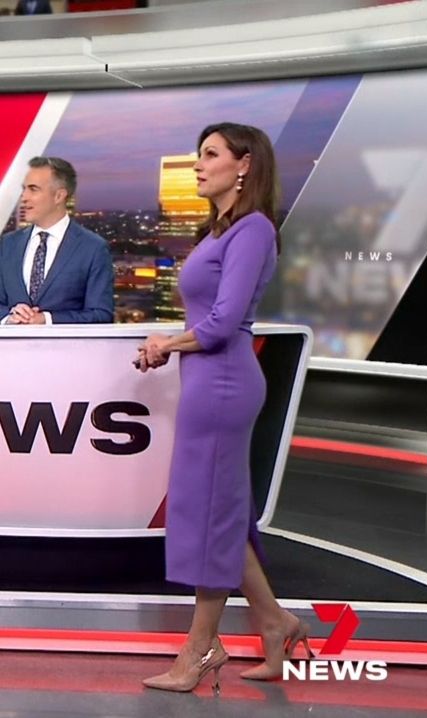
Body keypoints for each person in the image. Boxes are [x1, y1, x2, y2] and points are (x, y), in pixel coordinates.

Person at [135, 122, 312, 693]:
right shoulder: (220, 231)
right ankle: (274, 622)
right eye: (199, 154)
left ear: (244, 165)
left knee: (210, 513)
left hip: (226, 384)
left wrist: (167, 344)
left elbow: (222, 323)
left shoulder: (253, 229)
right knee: (219, 510)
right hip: (207, 382)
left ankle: (200, 651)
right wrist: (169, 346)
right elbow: (205, 321)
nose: (198, 164)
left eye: (210, 154)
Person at [0, 156, 114, 324]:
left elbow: (101, 314)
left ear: (59, 196)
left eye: (33, 189)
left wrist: (47, 319)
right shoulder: (7, 244)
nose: (23, 197)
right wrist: (9, 318)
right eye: (24, 189)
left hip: (63, 342)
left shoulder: (93, 248)